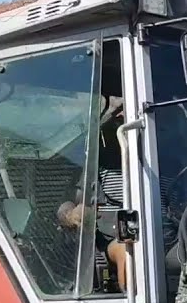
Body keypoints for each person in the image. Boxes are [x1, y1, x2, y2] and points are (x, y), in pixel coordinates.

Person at [58, 97, 176, 292]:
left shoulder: (167, 159)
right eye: (118, 110)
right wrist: (73, 214)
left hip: (169, 237)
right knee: (131, 255)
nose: (122, 114)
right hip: (118, 239)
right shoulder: (99, 163)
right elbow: (66, 207)